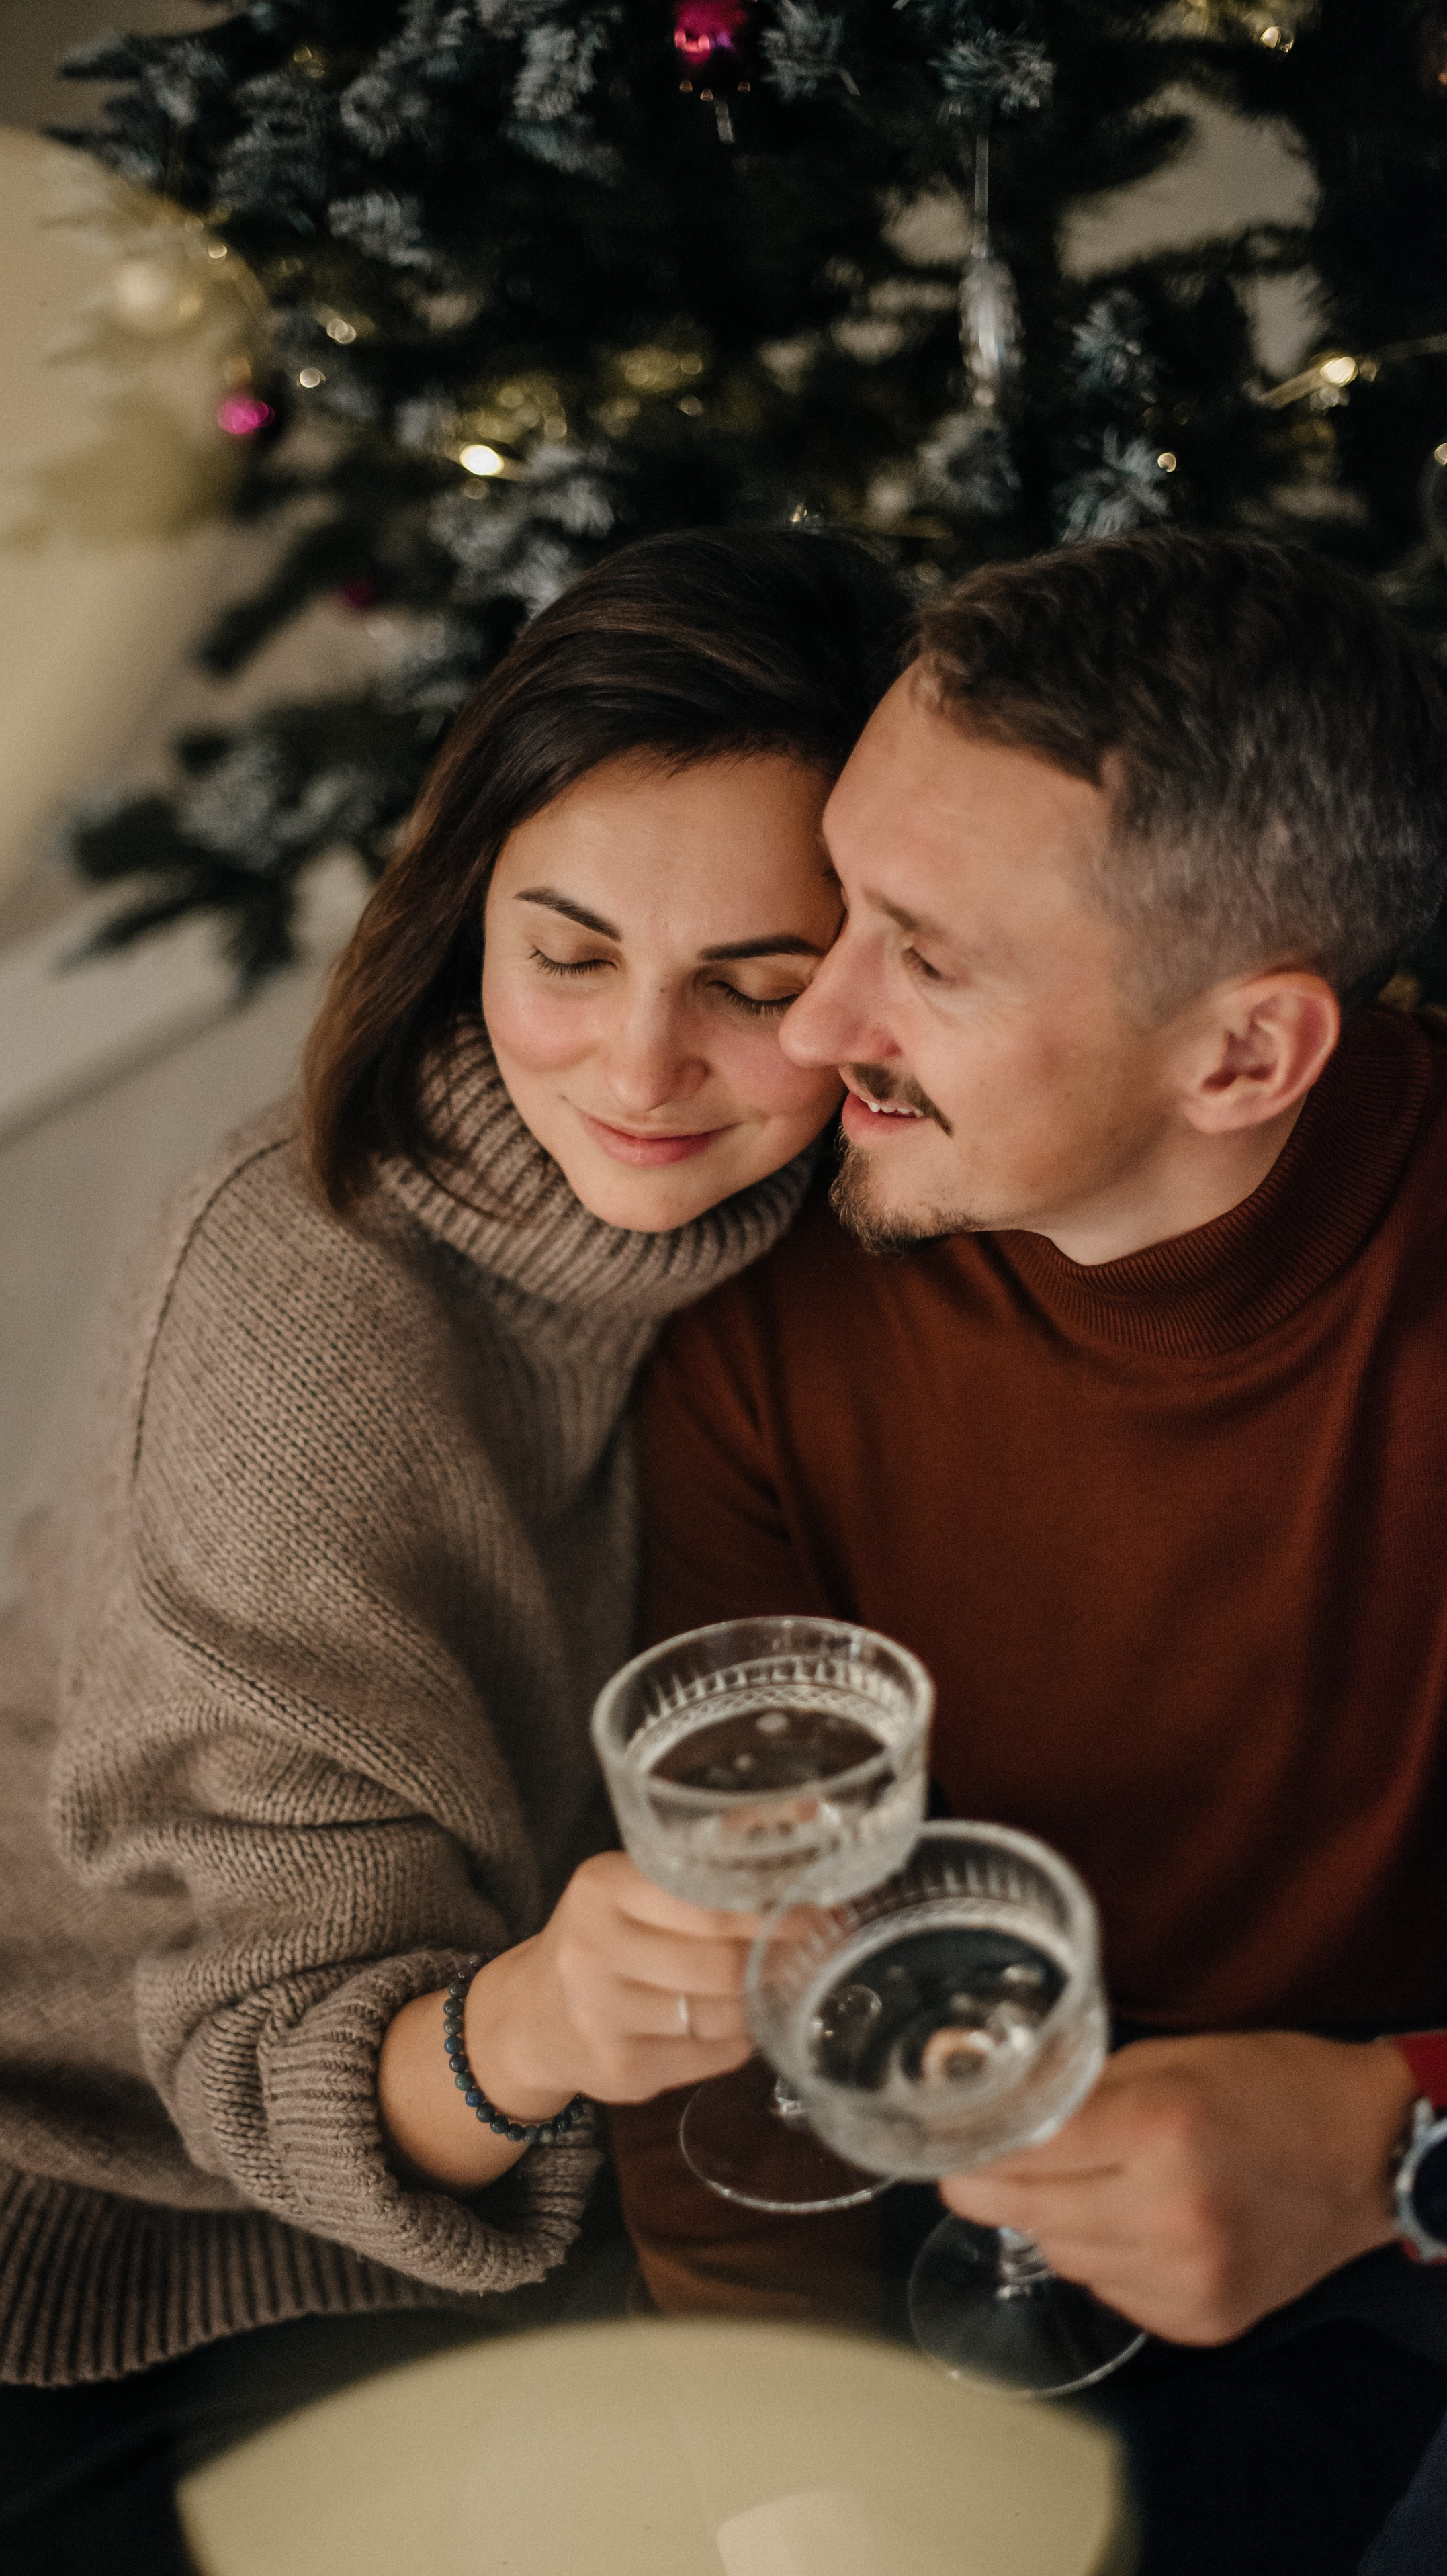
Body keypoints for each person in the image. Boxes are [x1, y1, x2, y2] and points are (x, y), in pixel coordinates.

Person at [0, 527, 910, 2573]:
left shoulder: (843, 1246)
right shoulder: (293, 1303)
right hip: (41, 2127)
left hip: (489, 2145)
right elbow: (281, 2030)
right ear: (465, 918)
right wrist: (540, 2026)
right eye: (568, 951)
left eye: (761, 984)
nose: (639, 1071)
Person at [613, 528, 1447, 2575]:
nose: (810, 1028)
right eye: (845, 898)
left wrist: (1397, 2142)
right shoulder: (775, 1313)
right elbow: (732, 1954)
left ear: (1244, 1054)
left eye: (929, 952)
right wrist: (794, 2499)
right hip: (979, 2220)